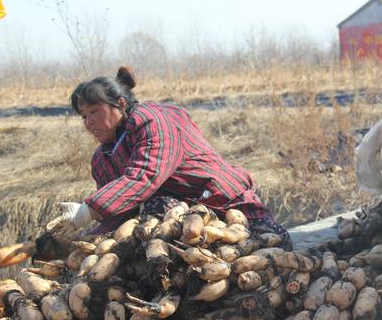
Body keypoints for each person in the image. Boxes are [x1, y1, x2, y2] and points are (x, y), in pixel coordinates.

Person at [50, 66, 292, 249]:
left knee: (275, 245)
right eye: (83, 116)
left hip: (223, 202)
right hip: (178, 217)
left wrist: (86, 211)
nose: (89, 122)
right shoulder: (102, 159)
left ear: (120, 104)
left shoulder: (154, 121)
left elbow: (144, 176)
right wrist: (84, 239)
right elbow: (118, 212)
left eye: (94, 111)